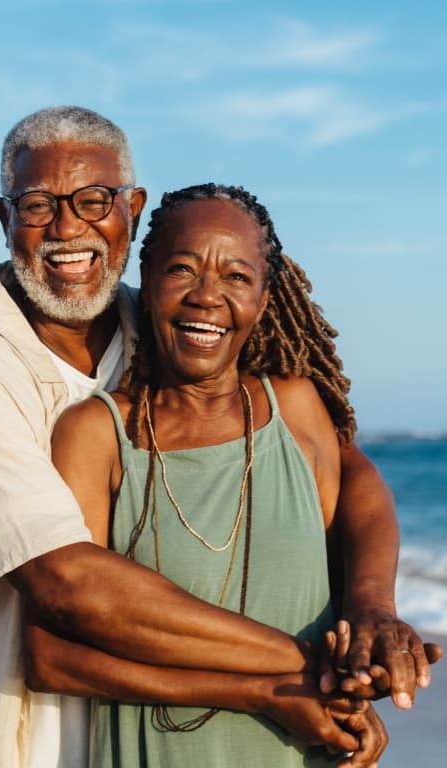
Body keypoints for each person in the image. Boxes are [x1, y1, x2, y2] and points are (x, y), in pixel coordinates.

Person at [0, 107, 436, 768]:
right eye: (39, 206)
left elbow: (339, 463)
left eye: (94, 201)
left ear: (131, 211)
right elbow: (68, 584)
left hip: (123, 729)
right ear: (5, 220)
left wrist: (372, 611)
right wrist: (317, 669)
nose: (68, 228)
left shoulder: (167, 321)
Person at [35, 183, 392, 766]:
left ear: (266, 296)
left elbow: (361, 490)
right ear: (145, 283)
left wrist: (370, 629)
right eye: (182, 269)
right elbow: (50, 658)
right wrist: (263, 694)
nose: (207, 297)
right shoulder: (98, 435)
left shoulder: (296, 410)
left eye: (236, 277)